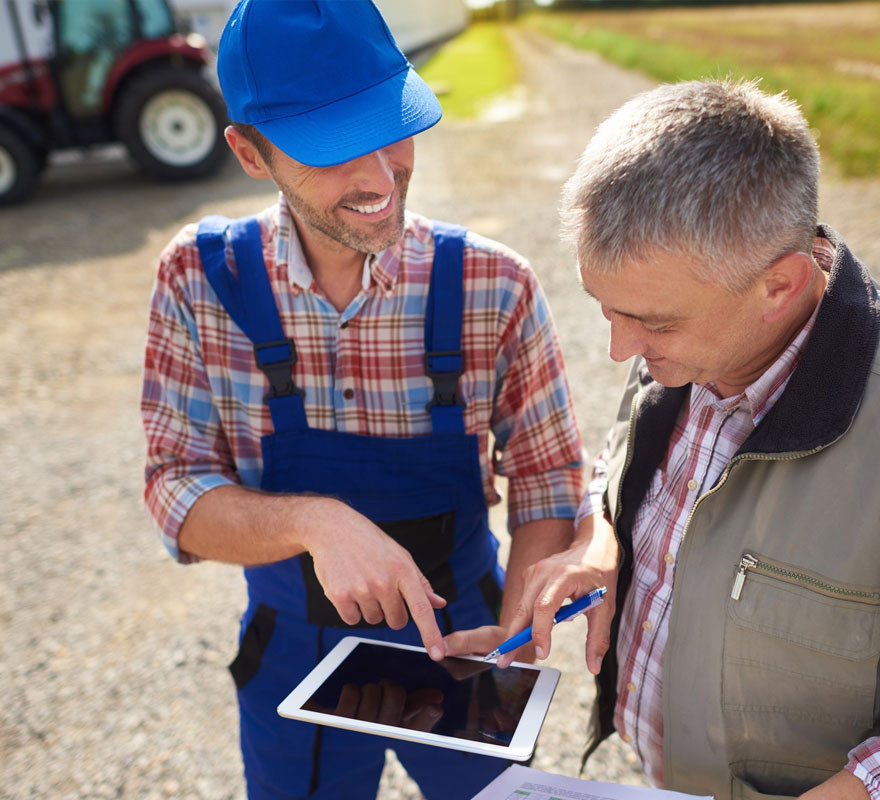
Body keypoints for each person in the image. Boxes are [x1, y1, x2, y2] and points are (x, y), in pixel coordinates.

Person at [140, 2, 583, 799]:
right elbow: (175, 488)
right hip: (290, 652)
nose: (381, 177)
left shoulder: (496, 287)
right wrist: (315, 523)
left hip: (466, 637)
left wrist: (511, 635)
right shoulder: (200, 280)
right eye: (333, 148)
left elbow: (548, 483)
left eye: (391, 126)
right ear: (249, 152)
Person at [489, 79, 880, 799]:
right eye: (605, 309)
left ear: (781, 285)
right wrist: (602, 542)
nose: (619, 350)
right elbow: (620, 468)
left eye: (653, 322)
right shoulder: (687, 340)